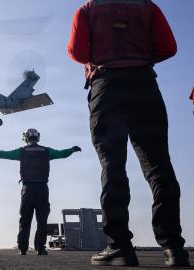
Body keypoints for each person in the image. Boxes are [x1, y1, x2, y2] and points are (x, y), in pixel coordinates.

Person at [68, 0, 190, 267]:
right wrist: (139, 59)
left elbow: (77, 51)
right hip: (144, 85)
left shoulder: (87, 9)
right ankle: (173, 248)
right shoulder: (148, 6)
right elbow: (169, 47)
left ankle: (120, 247)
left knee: (112, 166)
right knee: (158, 165)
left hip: (106, 86)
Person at [0, 128, 81, 256]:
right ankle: (40, 248)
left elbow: (5, 154)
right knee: (42, 220)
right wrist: (72, 150)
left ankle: (22, 249)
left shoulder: (22, 151)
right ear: (37, 137)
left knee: (25, 220)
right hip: (42, 189)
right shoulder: (46, 151)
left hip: (27, 190)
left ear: (26, 138)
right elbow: (62, 154)